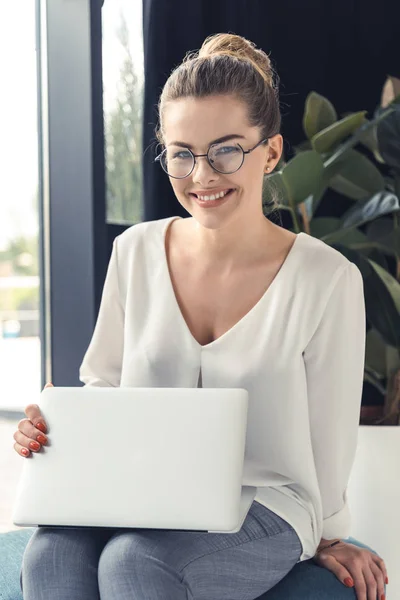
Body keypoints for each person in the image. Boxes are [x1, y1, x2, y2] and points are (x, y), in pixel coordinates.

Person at [14, 33, 388, 600]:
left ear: (271, 151)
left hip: (268, 502)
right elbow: (103, 388)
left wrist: (331, 535)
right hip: (142, 488)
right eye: (182, 153)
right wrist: (53, 432)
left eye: (226, 150)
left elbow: (329, 440)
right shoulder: (135, 252)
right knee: (50, 555)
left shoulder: (326, 278)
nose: (202, 176)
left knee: (133, 562)